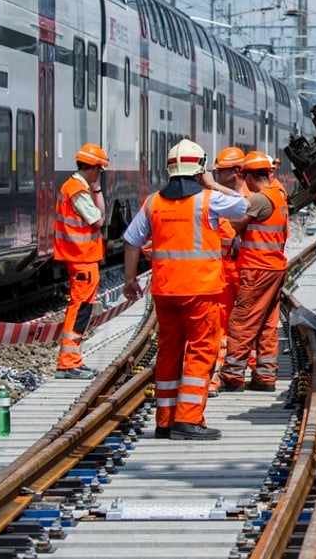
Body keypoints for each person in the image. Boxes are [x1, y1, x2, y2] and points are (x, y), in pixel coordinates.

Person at [122, 139, 247, 440]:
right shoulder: (208, 200)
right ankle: (188, 420)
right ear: (199, 170)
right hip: (199, 291)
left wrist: (129, 280)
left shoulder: (153, 202)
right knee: (202, 351)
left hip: (165, 292)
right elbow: (243, 205)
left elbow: (131, 239)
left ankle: (164, 420)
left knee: (169, 351)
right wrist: (212, 183)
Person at [219, 150, 289, 393]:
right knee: (268, 323)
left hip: (257, 268)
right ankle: (265, 376)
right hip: (274, 266)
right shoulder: (279, 194)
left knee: (242, 322)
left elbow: (235, 221)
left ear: (249, 175)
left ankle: (232, 375)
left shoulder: (260, 199)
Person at [53, 143, 110, 379]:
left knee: (82, 308)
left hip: (82, 257)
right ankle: (68, 362)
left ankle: (73, 360)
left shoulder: (72, 187)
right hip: (81, 257)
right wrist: (97, 191)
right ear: (94, 169)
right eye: (100, 170)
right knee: (79, 309)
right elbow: (99, 220)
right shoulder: (78, 190)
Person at [207, 146, 246, 397]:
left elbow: (243, 207)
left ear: (234, 172)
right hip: (223, 268)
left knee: (241, 325)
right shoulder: (215, 197)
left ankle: (235, 372)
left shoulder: (245, 195)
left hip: (240, 267)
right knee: (222, 326)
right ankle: (220, 376)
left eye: (219, 172)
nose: (216, 175)